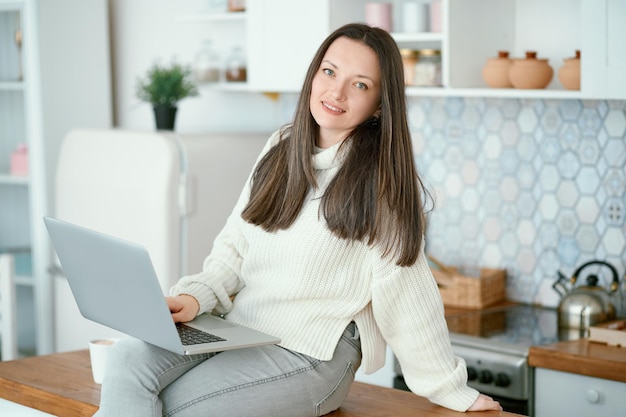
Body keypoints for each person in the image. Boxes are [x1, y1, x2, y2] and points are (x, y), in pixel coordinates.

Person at [95, 23, 502, 417]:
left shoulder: (381, 184)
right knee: (127, 360)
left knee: (174, 407)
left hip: (312, 354)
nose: (336, 91)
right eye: (329, 71)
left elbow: (409, 296)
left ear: (380, 104)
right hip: (241, 330)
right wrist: (195, 297)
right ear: (314, 74)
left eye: (359, 84)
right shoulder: (282, 146)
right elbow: (235, 247)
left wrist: (450, 389)